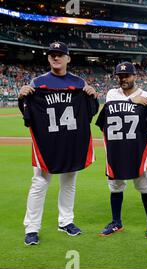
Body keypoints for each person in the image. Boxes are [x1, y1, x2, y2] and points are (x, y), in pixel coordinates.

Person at [18, 42, 97, 246]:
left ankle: (66, 221)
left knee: (69, 182)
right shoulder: (37, 83)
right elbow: (28, 115)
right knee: (40, 183)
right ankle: (32, 228)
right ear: (48, 58)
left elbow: (90, 112)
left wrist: (92, 96)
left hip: (70, 142)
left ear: (68, 58)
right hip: (48, 143)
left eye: (60, 54)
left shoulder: (79, 83)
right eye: (52, 54)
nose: (56, 58)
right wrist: (22, 98)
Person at [96, 62, 147, 238]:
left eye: (127, 75)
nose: (123, 79)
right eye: (120, 76)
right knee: (115, 186)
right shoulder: (111, 94)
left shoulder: (146, 96)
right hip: (115, 149)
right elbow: (114, 109)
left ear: (134, 76)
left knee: (144, 185)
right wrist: (132, 101)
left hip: (137, 149)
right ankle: (116, 222)